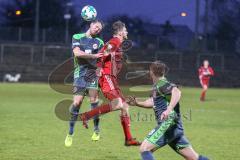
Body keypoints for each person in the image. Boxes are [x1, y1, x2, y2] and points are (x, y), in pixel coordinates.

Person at [126, 61, 209, 160]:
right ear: (163, 72)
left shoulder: (163, 84)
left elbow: (177, 91)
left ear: (151, 72)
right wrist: (137, 103)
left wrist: (168, 110)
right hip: (175, 127)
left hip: (168, 124)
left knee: (144, 149)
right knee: (194, 158)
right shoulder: (157, 86)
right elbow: (153, 102)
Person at [79, 21, 141, 146]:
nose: (127, 32)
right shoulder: (116, 41)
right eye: (125, 30)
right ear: (120, 32)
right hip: (107, 77)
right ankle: (87, 115)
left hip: (112, 79)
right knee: (118, 104)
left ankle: (128, 139)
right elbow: (104, 51)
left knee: (125, 107)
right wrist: (100, 68)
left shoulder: (117, 43)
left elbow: (108, 52)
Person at [64, 20, 104, 147]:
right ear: (91, 25)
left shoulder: (99, 42)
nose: (98, 29)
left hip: (92, 74)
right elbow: (77, 53)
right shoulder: (77, 37)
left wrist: (101, 69)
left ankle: (96, 130)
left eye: (100, 29)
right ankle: (70, 133)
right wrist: (94, 56)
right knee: (76, 103)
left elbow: (101, 60)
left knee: (94, 102)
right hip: (79, 75)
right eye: (96, 26)